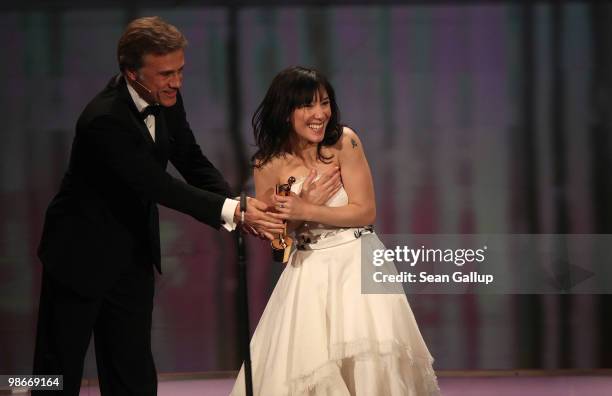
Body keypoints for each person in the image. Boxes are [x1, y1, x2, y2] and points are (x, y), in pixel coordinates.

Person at [32, 16, 283, 396]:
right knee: (54, 374)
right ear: (132, 72)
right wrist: (232, 213)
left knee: (132, 375)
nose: (177, 82)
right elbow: (158, 185)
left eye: (180, 71)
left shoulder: (166, 100)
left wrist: (236, 202)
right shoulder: (104, 119)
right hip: (77, 257)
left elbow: (190, 158)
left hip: (131, 256)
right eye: (166, 73)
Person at [230, 66, 440, 395]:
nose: (319, 115)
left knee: (370, 366)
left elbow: (365, 211)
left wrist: (306, 208)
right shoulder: (267, 165)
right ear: (285, 112)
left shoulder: (344, 142)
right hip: (307, 273)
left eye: (324, 103)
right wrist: (297, 215)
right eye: (307, 106)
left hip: (356, 263)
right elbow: (278, 250)